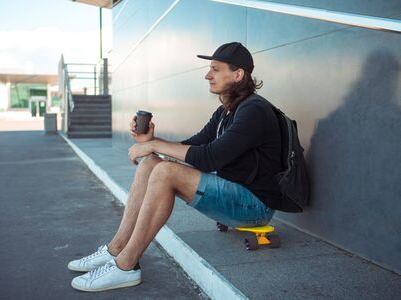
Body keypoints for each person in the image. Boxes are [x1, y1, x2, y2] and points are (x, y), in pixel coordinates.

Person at [68, 42, 282, 292]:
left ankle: (125, 266)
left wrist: (155, 145)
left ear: (238, 75)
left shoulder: (254, 111)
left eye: (215, 69)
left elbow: (208, 158)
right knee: (151, 163)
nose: (207, 75)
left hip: (255, 206)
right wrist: (151, 144)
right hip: (234, 195)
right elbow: (194, 145)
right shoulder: (226, 111)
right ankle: (115, 249)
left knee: (166, 170)